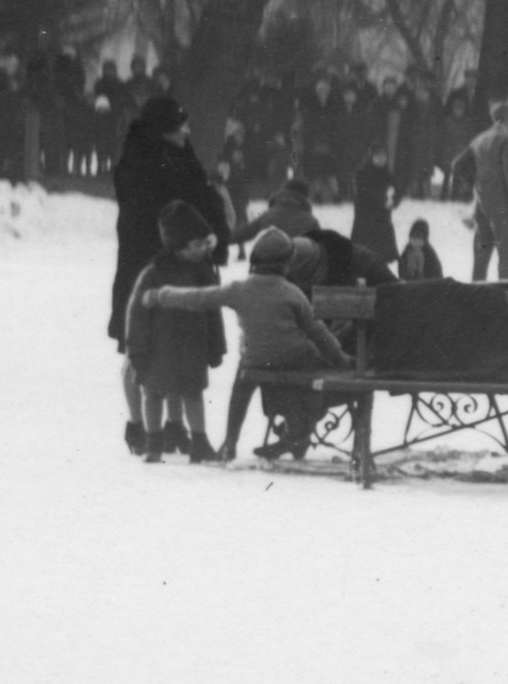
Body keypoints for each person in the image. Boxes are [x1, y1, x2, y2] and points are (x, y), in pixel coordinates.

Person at [137, 226, 350, 463]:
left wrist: (162, 295)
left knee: (242, 382)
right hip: (294, 358)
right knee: (309, 364)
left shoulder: (239, 290)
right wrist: (339, 357)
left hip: (255, 359)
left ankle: (230, 441)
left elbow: (200, 298)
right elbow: (318, 331)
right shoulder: (292, 293)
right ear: (287, 263)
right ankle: (297, 433)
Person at [109, 95, 230, 456]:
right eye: (180, 125)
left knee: (179, 347)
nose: (187, 131)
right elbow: (147, 217)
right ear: (163, 128)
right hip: (144, 269)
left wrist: (211, 237)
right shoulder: (138, 161)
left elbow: (202, 201)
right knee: (140, 349)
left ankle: (175, 427)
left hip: (184, 264)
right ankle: (138, 426)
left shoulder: (182, 156)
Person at [123, 200, 226, 460]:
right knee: (153, 394)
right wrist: (137, 350)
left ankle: (199, 441)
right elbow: (137, 315)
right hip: (159, 349)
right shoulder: (154, 273)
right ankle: (154, 443)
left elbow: (213, 312)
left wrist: (216, 347)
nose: (203, 249)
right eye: (196, 244)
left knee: (193, 394)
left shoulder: (203, 273)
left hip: (193, 347)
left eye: (205, 243)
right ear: (179, 245)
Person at [461, 97, 508, 280]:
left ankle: (476, 290)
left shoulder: (479, 139)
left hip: (481, 203)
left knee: (481, 256)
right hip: (501, 204)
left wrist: (477, 182)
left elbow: (459, 165)